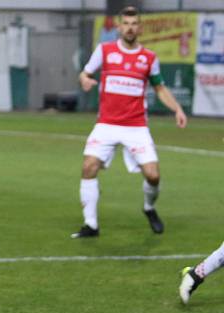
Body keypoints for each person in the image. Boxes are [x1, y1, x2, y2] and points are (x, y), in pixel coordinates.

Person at [72, 6, 187, 239]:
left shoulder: (149, 58)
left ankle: (149, 207)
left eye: (134, 24)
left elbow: (160, 87)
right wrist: (84, 79)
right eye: (126, 23)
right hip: (106, 123)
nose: (130, 28)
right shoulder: (104, 51)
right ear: (119, 27)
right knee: (88, 167)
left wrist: (177, 108)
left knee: (153, 175)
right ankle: (91, 225)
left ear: (140, 28)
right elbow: (85, 73)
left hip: (136, 126)